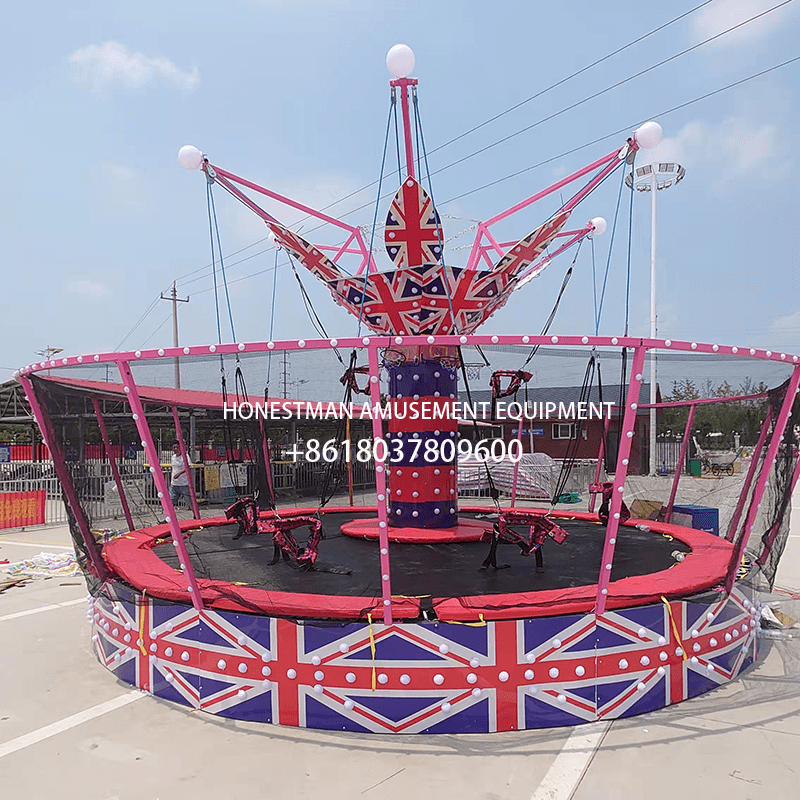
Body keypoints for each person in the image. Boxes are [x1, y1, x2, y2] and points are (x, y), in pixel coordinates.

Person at [169, 441, 192, 509]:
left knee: (189, 501)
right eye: (174, 448)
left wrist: (179, 474)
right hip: (174, 484)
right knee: (171, 501)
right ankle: (169, 515)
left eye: (177, 447)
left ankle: (195, 515)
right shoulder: (173, 457)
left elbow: (188, 467)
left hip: (183, 483)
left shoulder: (185, 456)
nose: (175, 449)